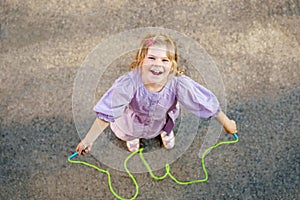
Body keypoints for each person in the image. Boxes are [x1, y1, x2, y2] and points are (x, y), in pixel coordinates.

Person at [76, 34, 237, 155]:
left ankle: (165, 132)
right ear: (140, 60)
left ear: (172, 65)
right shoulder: (128, 84)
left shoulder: (177, 83)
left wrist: (226, 122)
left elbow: (203, 101)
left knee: (164, 125)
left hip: (161, 120)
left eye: (165, 60)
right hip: (132, 122)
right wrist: (89, 139)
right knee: (129, 131)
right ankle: (132, 137)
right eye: (151, 58)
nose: (157, 64)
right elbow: (107, 111)